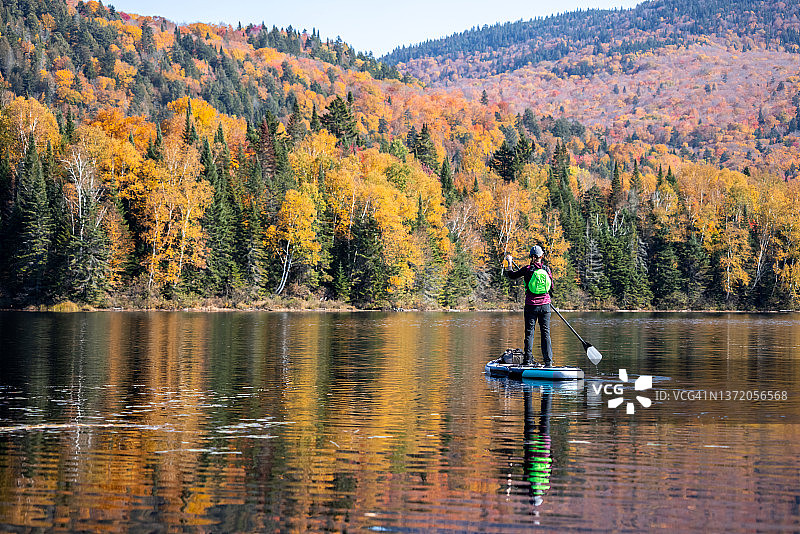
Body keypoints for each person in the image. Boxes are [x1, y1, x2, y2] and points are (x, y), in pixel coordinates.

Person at [503, 245, 554, 367]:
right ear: (541, 256)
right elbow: (551, 288)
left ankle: (527, 360)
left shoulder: (527, 269)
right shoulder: (547, 270)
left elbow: (511, 275)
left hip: (531, 306)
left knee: (529, 333)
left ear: (531, 257)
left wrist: (510, 262)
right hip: (546, 306)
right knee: (545, 333)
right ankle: (549, 362)